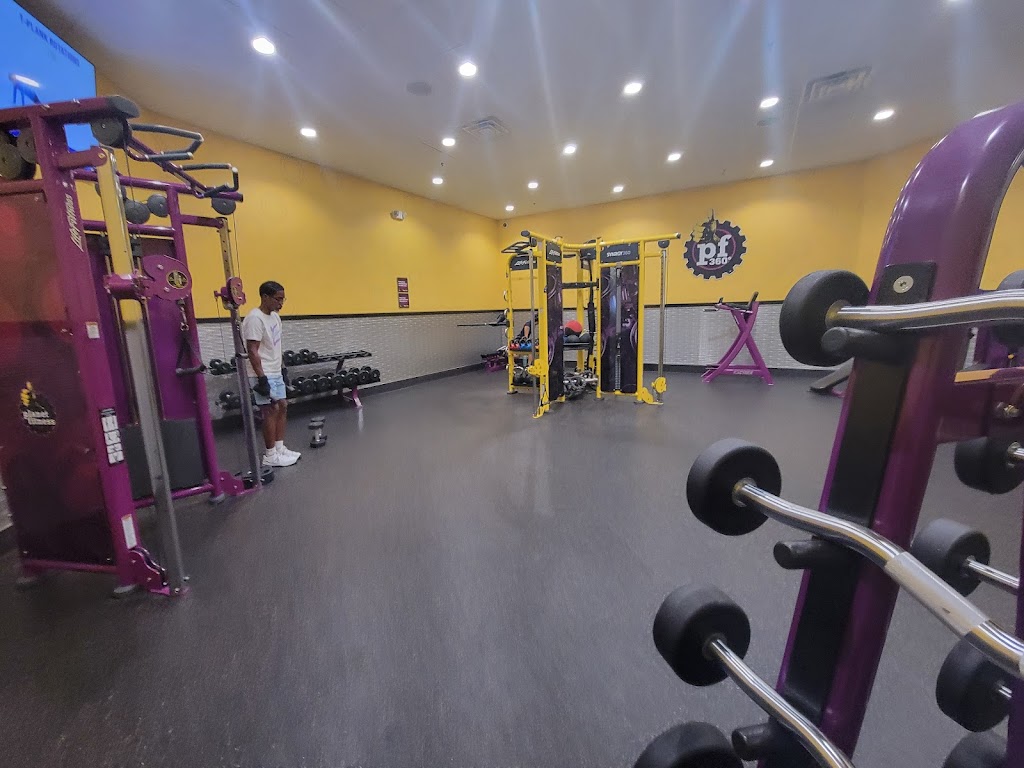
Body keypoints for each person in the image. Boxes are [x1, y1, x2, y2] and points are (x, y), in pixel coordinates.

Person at [242, 280, 300, 468]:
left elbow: (277, 346)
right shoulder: (255, 318)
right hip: (262, 372)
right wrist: (262, 379)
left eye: (283, 299)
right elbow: (252, 350)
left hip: (275, 370)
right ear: (265, 297)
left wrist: (283, 370)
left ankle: (279, 448)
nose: (281, 303)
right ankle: (270, 455)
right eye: (277, 299)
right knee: (270, 410)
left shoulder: (275, 317)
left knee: (282, 406)